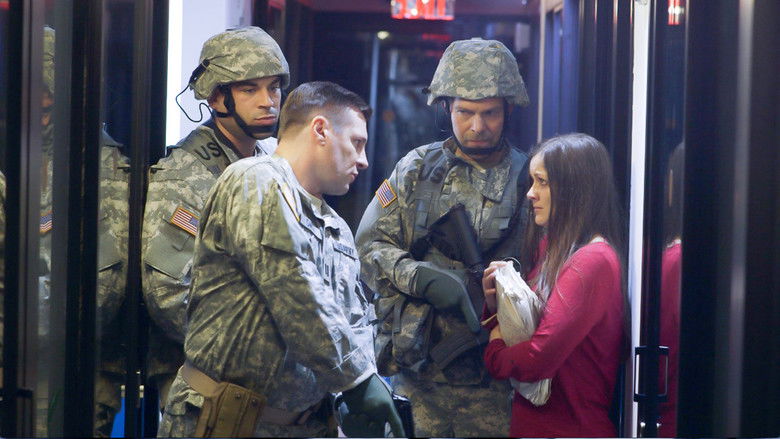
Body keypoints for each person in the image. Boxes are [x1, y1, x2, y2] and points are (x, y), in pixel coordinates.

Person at [158, 81, 404, 438]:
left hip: (305, 425)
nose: (364, 160)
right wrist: (358, 379)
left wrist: (358, 387)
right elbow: (294, 287)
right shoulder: (256, 179)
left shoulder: (334, 226)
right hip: (224, 422)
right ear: (320, 130)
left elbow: (354, 319)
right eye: (357, 142)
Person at [355, 37, 531, 437]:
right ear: (446, 107)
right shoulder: (416, 169)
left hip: (496, 382)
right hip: (418, 375)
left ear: (508, 110)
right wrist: (418, 276)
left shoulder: (529, 178)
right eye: (465, 112)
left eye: (490, 113)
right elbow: (368, 248)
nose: (477, 126)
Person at [141, 26, 287, 411]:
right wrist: (251, 348)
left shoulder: (270, 161)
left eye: (274, 87)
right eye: (250, 89)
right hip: (203, 383)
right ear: (217, 97)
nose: (268, 101)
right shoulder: (186, 174)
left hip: (261, 379)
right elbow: (168, 293)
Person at [481, 132, 628, 437]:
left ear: (575, 188)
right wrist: (497, 304)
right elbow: (526, 333)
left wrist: (495, 353)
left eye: (542, 182)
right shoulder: (552, 247)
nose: (530, 194)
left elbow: (538, 357)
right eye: (532, 181)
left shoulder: (593, 260)